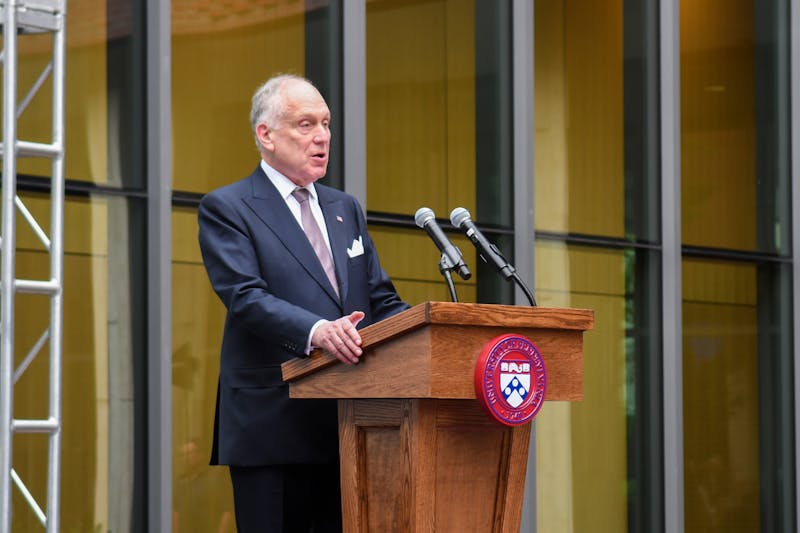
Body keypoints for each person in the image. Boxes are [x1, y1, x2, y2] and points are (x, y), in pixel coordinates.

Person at [197, 74, 409, 533]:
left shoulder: (344, 207)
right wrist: (318, 331)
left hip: (353, 426)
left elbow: (380, 298)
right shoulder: (228, 207)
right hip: (273, 426)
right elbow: (245, 297)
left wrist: (429, 332)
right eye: (306, 124)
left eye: (327, 124)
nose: (322, 136)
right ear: (265, 135)